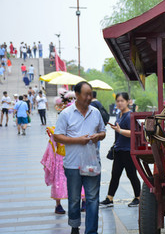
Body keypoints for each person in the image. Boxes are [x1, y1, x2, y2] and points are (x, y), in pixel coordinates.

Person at [53, 81, 106, 234]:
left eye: (91, 94)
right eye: (86, 94)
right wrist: (78, 140)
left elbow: (103, 132)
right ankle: (75, 226)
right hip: (72, 164)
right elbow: (57, 136)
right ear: (76, 95)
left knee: (92, 199)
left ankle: (91, 231)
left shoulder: (95, 112)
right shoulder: (66, 114)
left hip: (92, 163)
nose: (89, 97)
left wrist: (99, 136)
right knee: (75, 198)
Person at [100, 92, 141, 208]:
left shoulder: (129, 116)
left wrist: (120, 131)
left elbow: (134, 133)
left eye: (122, 100)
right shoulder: (120, 115)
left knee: (131, 174)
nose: (119, 103)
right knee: (115, 174)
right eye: (118, 101)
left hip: (128, 151)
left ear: (128, 101)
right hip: (119, 150)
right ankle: (109, 198)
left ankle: (138, 197)